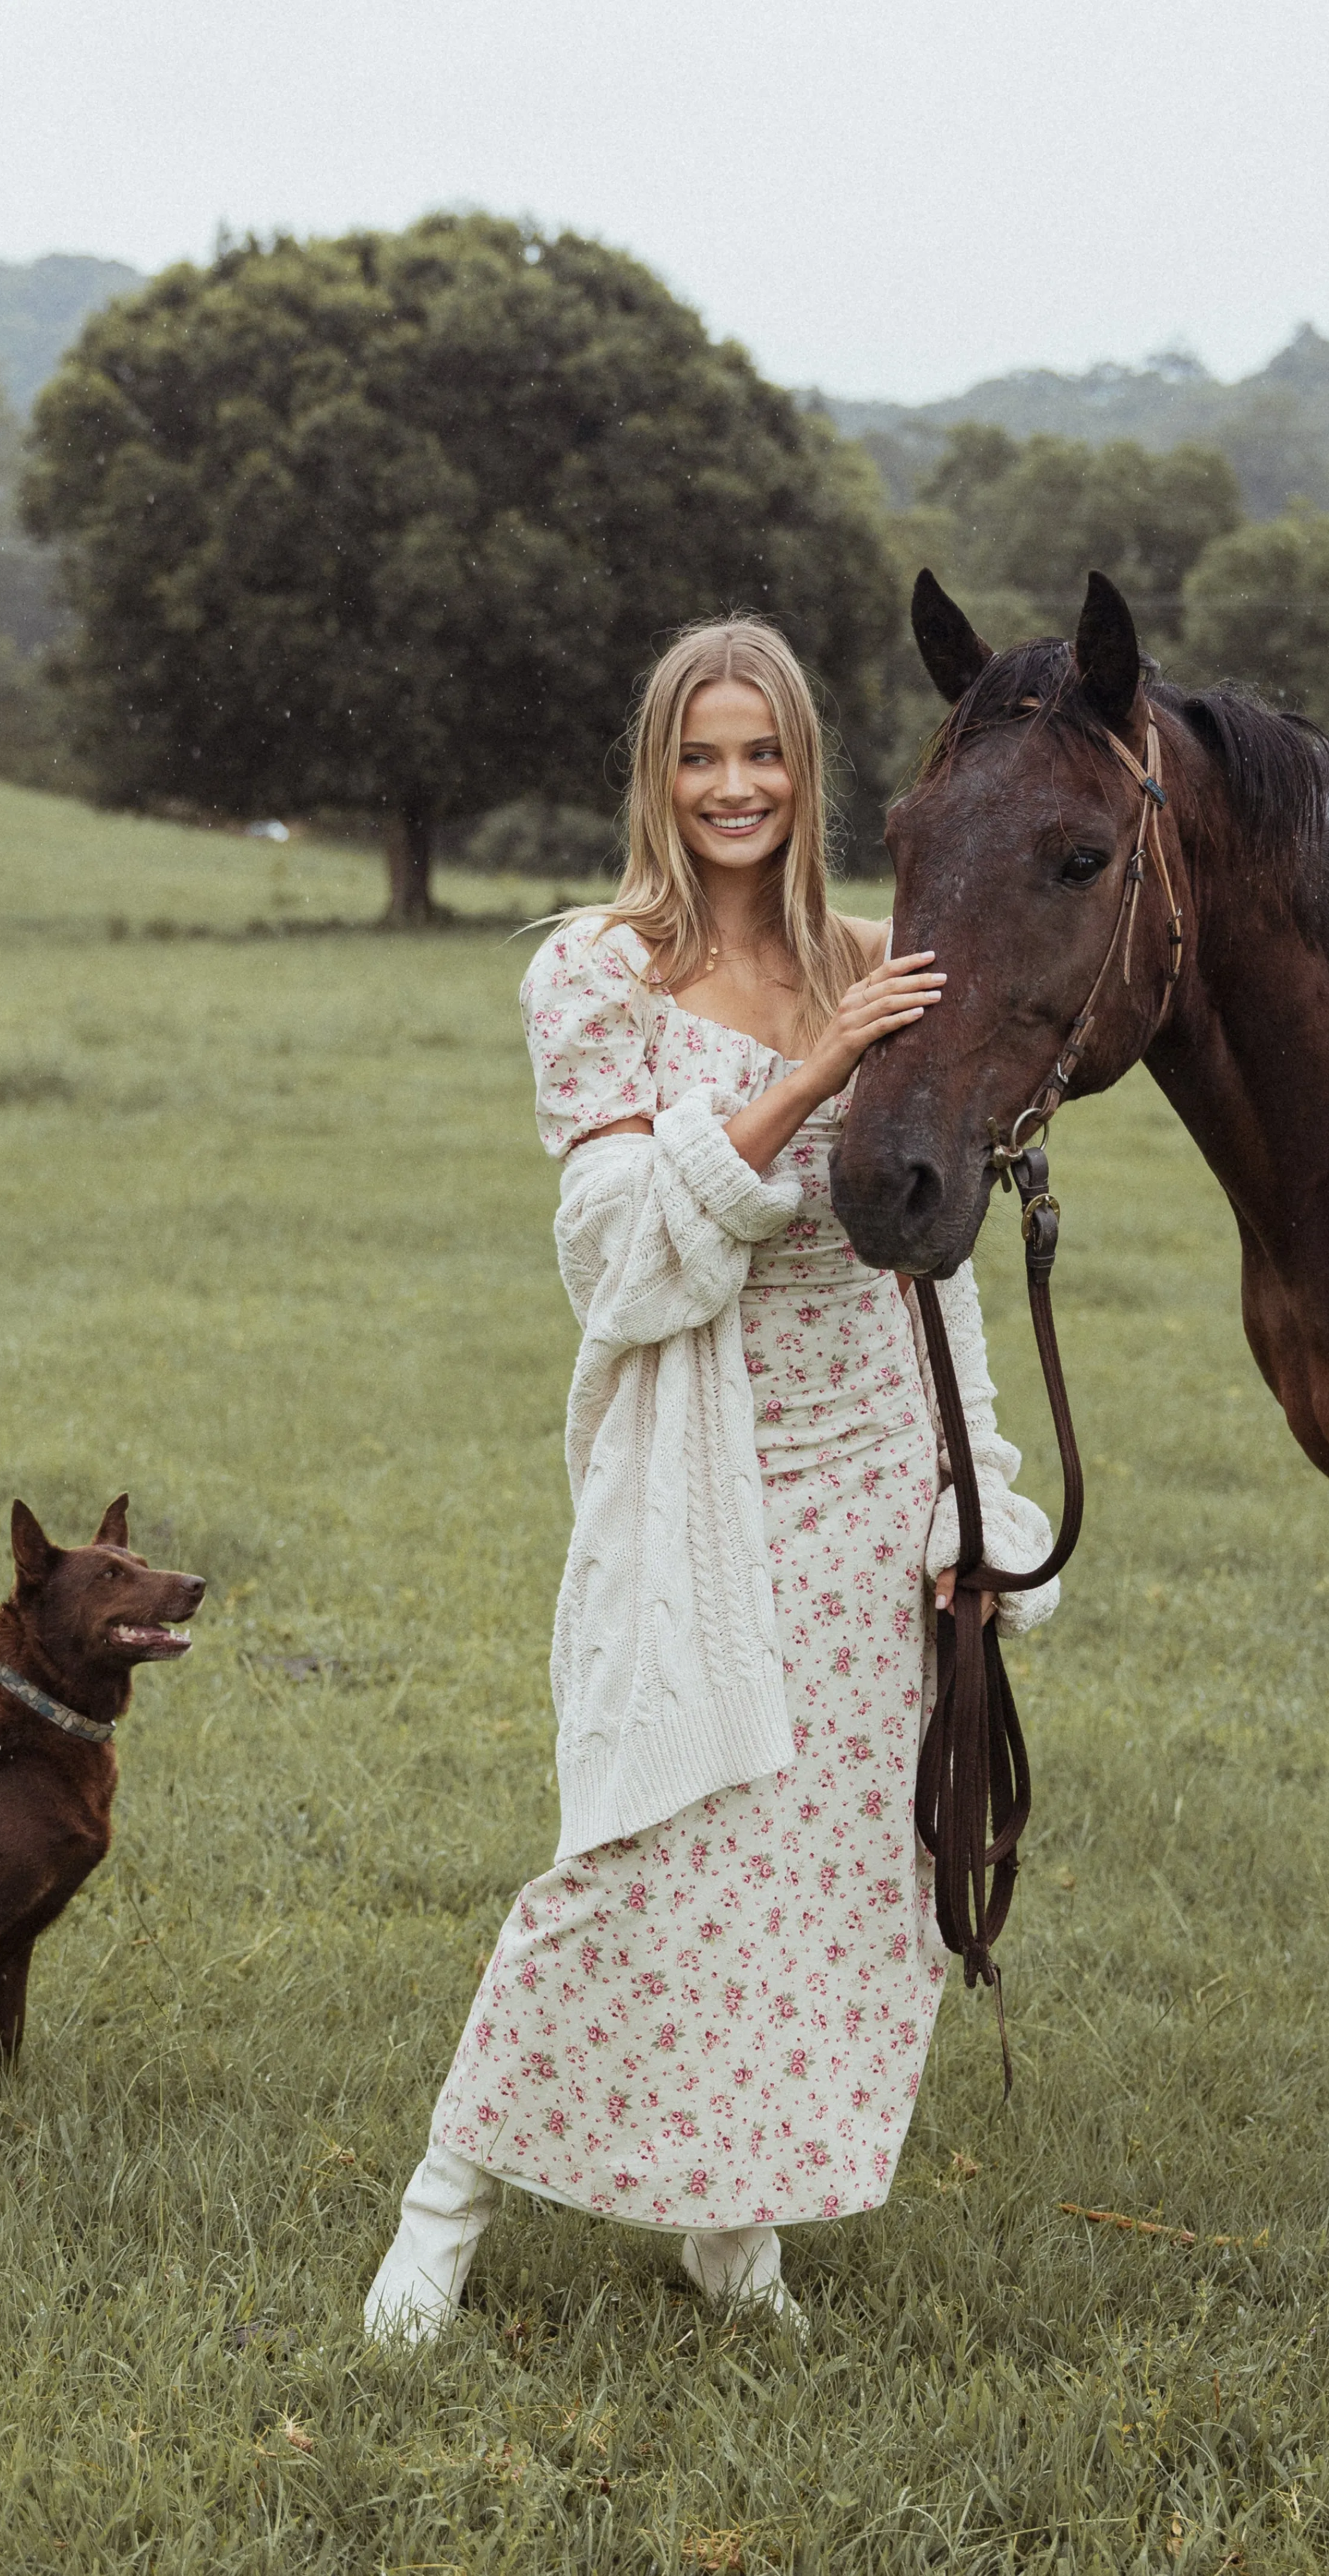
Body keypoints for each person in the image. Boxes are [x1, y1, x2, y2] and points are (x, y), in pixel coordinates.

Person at [363, 617, 1059, 2341]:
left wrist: (979, 1503)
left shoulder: (883, 954)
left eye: (762, 754)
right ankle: (445, 2199)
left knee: (830, 1870)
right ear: (656, 777)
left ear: (806, 769)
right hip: (703, 1467)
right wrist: (812, 1073)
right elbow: (615, 1259)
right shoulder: (597, 974)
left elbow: (938, 1260)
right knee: (638, 1842)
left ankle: (734, 2236)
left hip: (877, 1457)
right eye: (700, 756)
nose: (733, 787)